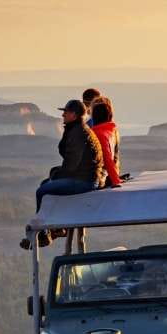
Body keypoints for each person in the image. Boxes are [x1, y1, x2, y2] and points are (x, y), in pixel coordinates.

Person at [21, 99, 105, 250]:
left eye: (65, 112)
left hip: (85, 181)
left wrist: (56, 174)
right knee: (45, 184)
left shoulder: (79, 133)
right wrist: (55, 173)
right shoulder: (75, 129)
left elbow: (71, 166)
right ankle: (56, 229)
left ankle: (44, 235)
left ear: (74, 115)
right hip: (82, 176)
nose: (63, 115)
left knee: (42, 191)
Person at [89, 97, 122, 188]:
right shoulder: (111, 131)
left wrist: (115, 180)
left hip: (98, 178)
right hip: (106, 176)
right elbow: (114, 157)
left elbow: (107, 158)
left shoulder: (98, 134)